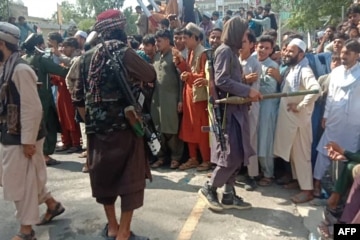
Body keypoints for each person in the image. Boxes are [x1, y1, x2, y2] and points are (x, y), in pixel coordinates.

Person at [71, 10, 155, 240]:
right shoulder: (124, 52)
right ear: (120, 28)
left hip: (97, 131)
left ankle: (112, 227)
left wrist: (92, 122)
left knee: (103, 178)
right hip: (126, 128)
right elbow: (150, 74)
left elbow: (77, 97)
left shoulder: (86, 57)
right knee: (131, 179)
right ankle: (124, 232)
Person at [0, 21, 64, 240]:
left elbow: (32, 108)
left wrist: (27, 141)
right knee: (28, 178)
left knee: (22, 183)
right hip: (12, 136)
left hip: (21, 139)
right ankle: (52, 204)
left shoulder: (20, 69)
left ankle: (26, 231)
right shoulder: (7, 68)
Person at [198, 17, 262, 211]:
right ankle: (210, 189)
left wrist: (246, 90)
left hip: (238, 112)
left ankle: (228, 195)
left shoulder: (232, 53)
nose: (245, 37)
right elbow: (222, 81)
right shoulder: (225, 51)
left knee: (239, 153)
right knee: (231, 156)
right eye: (243, 33)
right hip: (228, 113)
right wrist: (247, 90)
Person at [273, 38, 320, 203]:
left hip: (299, 122)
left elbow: (316, 90)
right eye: (287, 51)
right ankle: (297, 181)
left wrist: (300, 105)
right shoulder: (294, 69)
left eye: (291, 52)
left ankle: (307, 190)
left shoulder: (305, 70)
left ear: (301, 54)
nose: (286, 53)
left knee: (301, 156)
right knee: (293, 154)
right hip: (290, 122)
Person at [313, 39, 360, 197]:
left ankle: (340, 193)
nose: (343, 56)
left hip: (354, 122)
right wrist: (326, 115)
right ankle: (317, 184)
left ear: (357, 55)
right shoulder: (336, 72)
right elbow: (331, 96)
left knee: (346, 155)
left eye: (347, 53)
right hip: (334, 118)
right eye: (342, 53)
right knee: (325, 152)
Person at [22, 33, 69, 166]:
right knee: (48, 125)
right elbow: (62, 71)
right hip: (43, 98)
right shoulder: (41, 60)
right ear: (38, 45)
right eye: (43, 44)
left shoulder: (24, 58)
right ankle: (45, 155)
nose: (45, 46)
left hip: (28, 98)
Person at [173, 22, 212, 172]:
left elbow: (204, 76)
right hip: (189, 94)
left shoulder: (203, 53)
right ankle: (193, 158)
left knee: (201, 129)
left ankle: (206, 160)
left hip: (199, 97)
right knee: (189, 126)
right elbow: (188, 72)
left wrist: (188, 75)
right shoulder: (190, 52)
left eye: (186, 38)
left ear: (195, 38)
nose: (183, 41)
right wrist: (181, 64)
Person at [150, 29, 184, 169]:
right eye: (156, 41)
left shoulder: (176, 55)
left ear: (167, 41)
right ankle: (161, 157)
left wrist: (180, 99)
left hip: (171, 99)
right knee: (158, 128)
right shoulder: (157, 56)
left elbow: (181, 80)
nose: (156, 44)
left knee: (172, 130)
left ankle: (176, 157)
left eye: (159, 41)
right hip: (157, 99)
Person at [256, 35, 280, 187]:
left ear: (271, 50)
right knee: (255, 140)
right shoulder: (252, 61)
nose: (263, 50)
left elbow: (269, 89)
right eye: (261, 47)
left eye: (267, 48)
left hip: (267, 107)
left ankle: (268, 173)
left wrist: (251, 86)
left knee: (265, 141)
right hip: (254, 106)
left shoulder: (272, 66)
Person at [239, 31, 262, 191]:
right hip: (237, 106)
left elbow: (252, 90)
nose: (241, 45)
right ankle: (240, 169)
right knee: (238, 139)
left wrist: (243, 83)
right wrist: (243, 80)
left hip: (250, 106)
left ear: (252, 44)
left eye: (244, 42)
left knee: (250, 140)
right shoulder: (236, 60)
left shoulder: (255, 63)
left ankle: (252, 175)